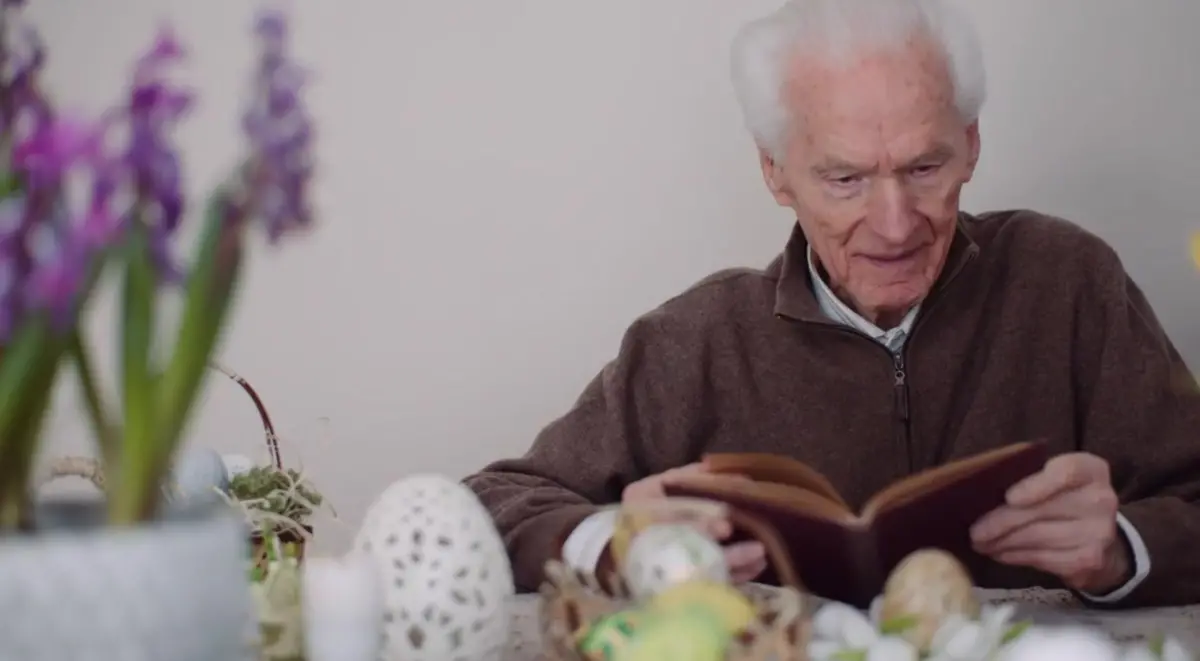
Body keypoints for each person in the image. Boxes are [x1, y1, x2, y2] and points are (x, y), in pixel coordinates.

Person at [463, 0, 1200, 608]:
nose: (895, 225)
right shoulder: (697, 341)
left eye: (924, 166)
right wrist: (611, 541)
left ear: (972, 144)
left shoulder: (1069, 282)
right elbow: (488, 505)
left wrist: (1123, 549)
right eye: (845, 179)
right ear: (775, 172)